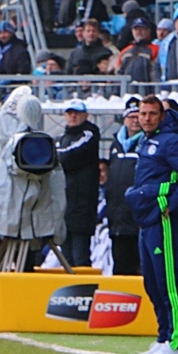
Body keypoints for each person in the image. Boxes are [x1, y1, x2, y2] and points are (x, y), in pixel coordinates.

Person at [127, 96, 178, 354]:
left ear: (161, 115)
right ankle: (162, 336)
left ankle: (175, 343)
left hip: (163, 219)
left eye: (151, 114)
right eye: (142, 113)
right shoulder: (145, 141)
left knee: (167, 281)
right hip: (146, 218)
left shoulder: (171, 141)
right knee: (151, 281)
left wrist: (172, 202)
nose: (146, 118)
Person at [57, 99, 101, 267]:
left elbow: (67, 156)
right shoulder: (63, 138)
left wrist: (55, 157)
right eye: (69, 113)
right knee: (66, 259)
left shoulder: (89, 134)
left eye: (76, 112)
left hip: (82, 207)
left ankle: (84, 291)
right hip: (65, 207)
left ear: (86, 115)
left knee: (80, 257)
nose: (73, 116)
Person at [105, 96, 143, 275]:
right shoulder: (116, 144)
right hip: (117, 220)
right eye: (131, 117)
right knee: (120, 268)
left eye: (138, 116)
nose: (135, 121)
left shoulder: (147, 143)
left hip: (137, 220)